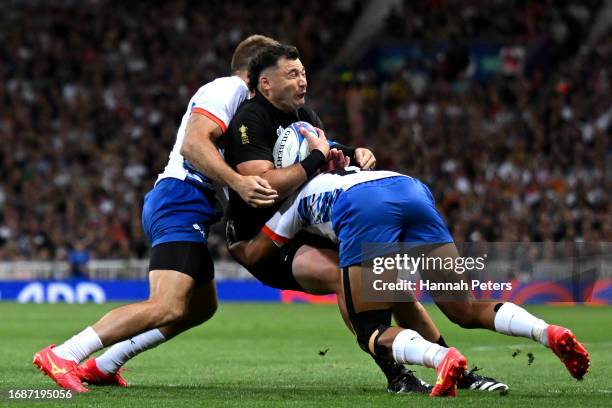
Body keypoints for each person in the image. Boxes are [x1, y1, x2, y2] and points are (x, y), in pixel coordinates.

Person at [223, 43, 508, 394]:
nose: (302, 81)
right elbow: (266, 184)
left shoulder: (305, 117)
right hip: (263, 238)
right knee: (344, 281)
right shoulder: (250, 119)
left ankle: (450, 366)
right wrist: (317, 158)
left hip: (301, 225)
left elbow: (326, 153)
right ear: (265, 84)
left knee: (392, 289)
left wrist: (351, 152)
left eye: (303, 73)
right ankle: (398, 375)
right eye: (292, 74)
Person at [33, 35, 280, 393]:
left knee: (199, 307)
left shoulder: (245, 104)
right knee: (165, 305)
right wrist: (239, 184)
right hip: (180, 199)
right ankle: (65, 353)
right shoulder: (227, 88)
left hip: (191, 204)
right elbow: (193, 145)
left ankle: (103, 364)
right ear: (258, 72)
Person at [228, 163, 591, 397]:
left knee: (369, 329)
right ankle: (546, 332)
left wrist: (231, 231)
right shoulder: (346, 164)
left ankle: (440, 357)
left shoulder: (293, 203)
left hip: (362, 206)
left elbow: (257, 252)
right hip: (409, 187)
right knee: (463, 306)